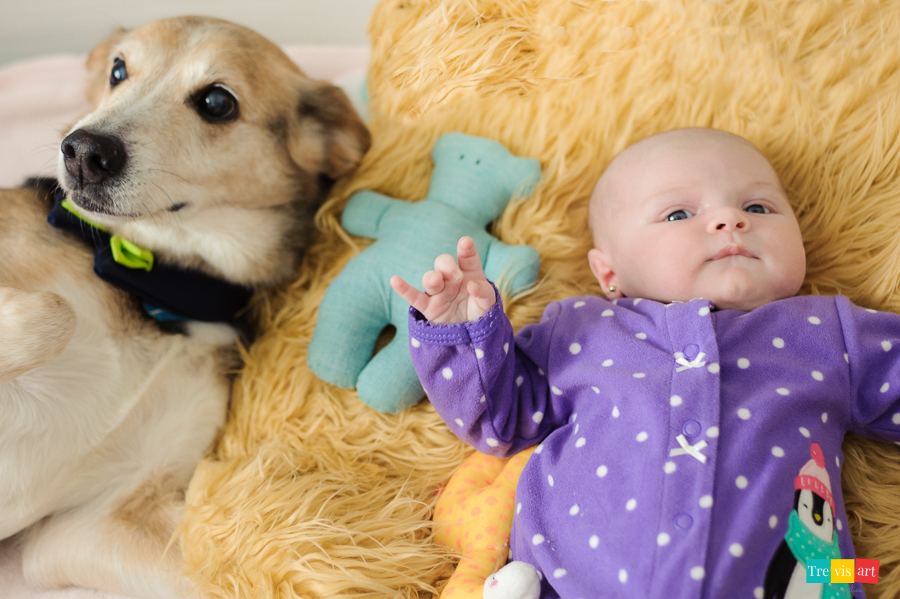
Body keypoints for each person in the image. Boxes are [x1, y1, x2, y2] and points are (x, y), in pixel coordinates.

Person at [389, 128, 895, 598]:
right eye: (678, 215)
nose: (730, 220)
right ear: (609, 272)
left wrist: (862, 570)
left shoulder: (830, 333)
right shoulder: (584, 329)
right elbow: (499, 419)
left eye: (758, 206)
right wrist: (462, 333)